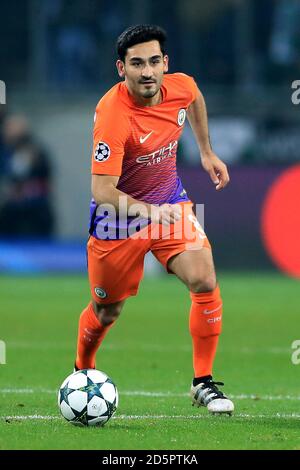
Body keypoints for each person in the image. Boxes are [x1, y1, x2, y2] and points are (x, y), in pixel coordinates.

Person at [75, 24, 234, 415]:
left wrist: (206, 151)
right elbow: (103, 193)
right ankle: (82, 370)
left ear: (165, 63)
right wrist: (148, 212)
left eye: (153, 62)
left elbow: (193, 97)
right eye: (136, 64)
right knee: (106, 310)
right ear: (121, 68)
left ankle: (203, 382)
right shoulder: (112, 116)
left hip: (170, 204)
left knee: (204, 278)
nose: (146, 72)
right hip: (118, 221)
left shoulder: (180, 86)